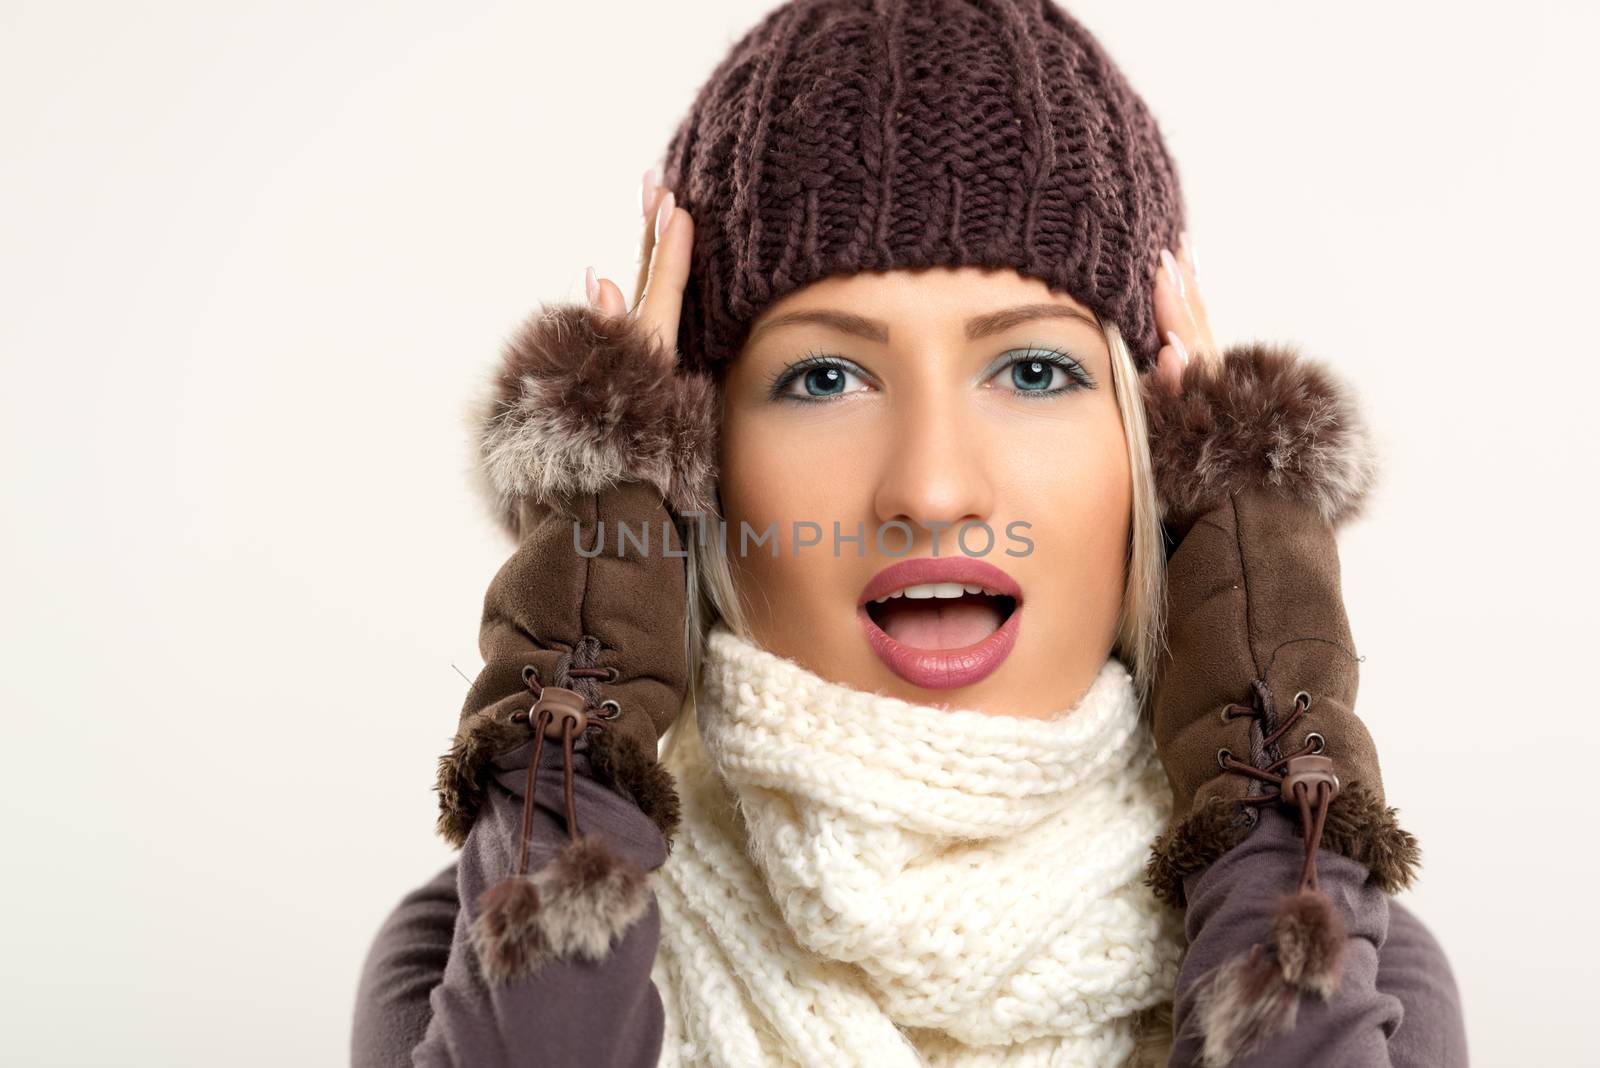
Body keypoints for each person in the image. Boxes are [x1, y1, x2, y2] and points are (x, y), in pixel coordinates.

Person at [351, 1, 1468, 1064]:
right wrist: (578, 670)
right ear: (685, 467)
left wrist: (1273, 754)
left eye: (1034, 369)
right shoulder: (472, 950)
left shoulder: (1342, 955)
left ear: (1158, 466)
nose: (933, 489)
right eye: (824, 375)